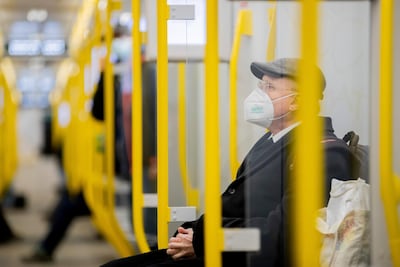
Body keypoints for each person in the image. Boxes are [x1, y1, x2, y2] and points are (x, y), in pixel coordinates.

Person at [100, 58, 358, 267]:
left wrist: (206, 240)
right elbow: (236, 205)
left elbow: (280, 236)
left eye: (269, 88)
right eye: (260, 86)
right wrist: (194, 233)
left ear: (297, 101)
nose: (259, 95)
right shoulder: (271, 140)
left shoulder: (323, 154)